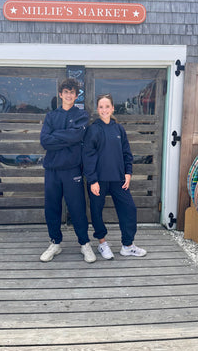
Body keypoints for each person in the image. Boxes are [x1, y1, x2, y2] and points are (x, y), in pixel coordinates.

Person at [82, 93, 147, 260]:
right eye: (101, 107)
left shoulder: (119, 129)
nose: (104, 110)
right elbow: (87, 156)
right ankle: (102, 243)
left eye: (107, 106)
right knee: (96, 211)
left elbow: (127, 153)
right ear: (98, 109)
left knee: (129, 209)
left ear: (112, 108)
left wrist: (128, 172)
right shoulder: (93, 130)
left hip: (118, 179)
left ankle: (127, 245)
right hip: (99, 180)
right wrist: (92, 180)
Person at [40, 78, 96, 263]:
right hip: (52, 170)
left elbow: (77, 135)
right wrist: (67, 138)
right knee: (52, 208)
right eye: (66, 92)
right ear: (60, 94)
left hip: (72, 170)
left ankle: (84, 244)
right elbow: (44, 141)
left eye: (72, 92)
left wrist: (56, 135)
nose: (69, 95)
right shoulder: (51, 116)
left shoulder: (81, 115)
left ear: (76, 95)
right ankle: (55, 243)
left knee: (77, 208)